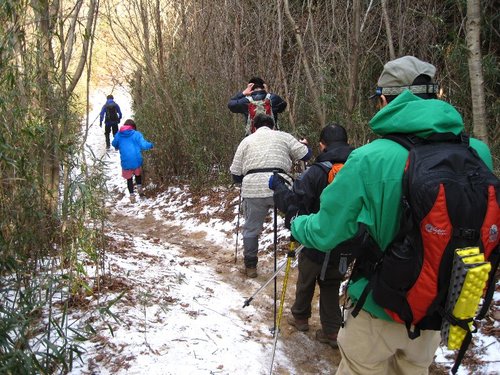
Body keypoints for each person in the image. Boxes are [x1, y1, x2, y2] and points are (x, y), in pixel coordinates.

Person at [290, 56, 494, 374]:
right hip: (437, 307)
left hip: (379, 306)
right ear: (437, 96)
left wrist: (296, 223)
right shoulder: (477, 153)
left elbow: (327, 232)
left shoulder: (370, 158)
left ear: (384, 101)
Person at [269, 123, 354, 348]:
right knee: (330, 283)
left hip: (315, 238)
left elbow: (295, 204)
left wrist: (278, 189)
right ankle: (332, 330)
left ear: (321, 145)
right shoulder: (359, 168)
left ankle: (300, 318)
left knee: (307, 277)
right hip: (346, 242)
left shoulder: (316, 172)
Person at [230, 113, 311, 278]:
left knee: (251, 228)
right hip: (280, 186)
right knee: (297, 216)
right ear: (273, 126)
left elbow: (235, 173)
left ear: (254, 127)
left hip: (253, 189)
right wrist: (304, 145)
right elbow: (306, 155)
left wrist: (246, 178)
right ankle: (303, 255)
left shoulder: (246, 141)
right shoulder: (284, 136)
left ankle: (251, 266)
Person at [112, 119, 154, 203]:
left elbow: (114, 143)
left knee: (129, 179)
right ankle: (140, 191)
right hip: (136, 160)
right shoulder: (136, 134)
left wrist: (118, 146)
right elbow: (144, 145)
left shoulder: (119, 134)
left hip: (125, 161)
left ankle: (132, 196)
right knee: (138, 175)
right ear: (133, 127)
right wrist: (151, 145)